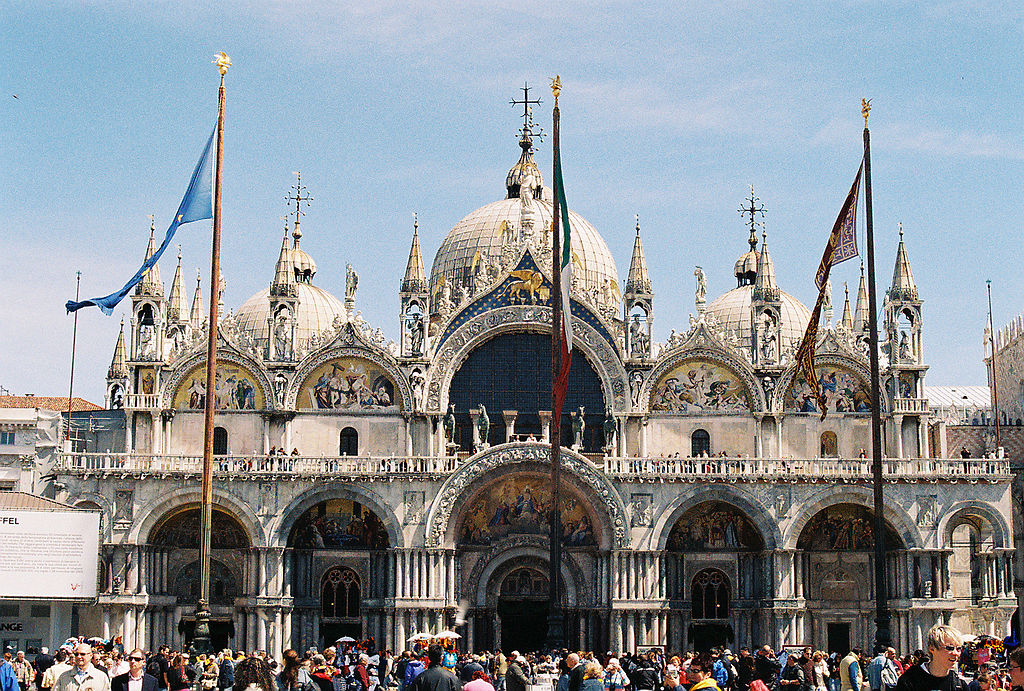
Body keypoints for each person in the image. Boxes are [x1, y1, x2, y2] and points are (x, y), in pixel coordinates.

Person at [895, 624, 968, 691]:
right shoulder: (909, 680)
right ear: (932, 649)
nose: (955, 653)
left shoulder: (959, 685)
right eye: (949, 648)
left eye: (958, 649)